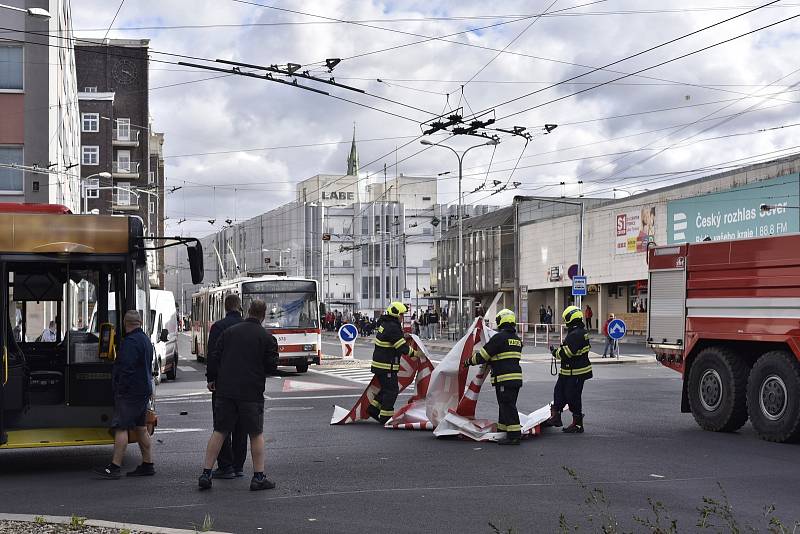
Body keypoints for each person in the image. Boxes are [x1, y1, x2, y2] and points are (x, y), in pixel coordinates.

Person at [199, 299, 279, 491]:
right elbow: (271, 367)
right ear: (263, 314)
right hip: (251, 392)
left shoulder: (229, 332)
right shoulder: (267, 337)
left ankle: (206, 473)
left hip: (226, 391)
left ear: (248, 311)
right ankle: (258, 477)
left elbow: (215, 357)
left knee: (219, 431)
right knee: (255, 433)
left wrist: (215, 378)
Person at [95, 311, 155, 479]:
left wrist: (119, 388)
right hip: (143, 390)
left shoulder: (130, 343)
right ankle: (148, 464)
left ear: (125, 323)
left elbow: (126, 369)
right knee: (141, 427)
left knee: (121, 427)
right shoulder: (145, 340)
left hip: (130, 392)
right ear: (140, 322)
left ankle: (114, 467)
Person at [464, 309, 523, 445]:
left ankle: (514, 436)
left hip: (504, 378)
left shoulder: (499, 338)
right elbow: (503, 356)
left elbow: (482, 356)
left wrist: (468, 362)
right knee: (505, 406)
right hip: (515, 378)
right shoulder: (517, 340)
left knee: (507, 406)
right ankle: (503, 432)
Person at [205, 294, 246, 479]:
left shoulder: (218, 327)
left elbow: (213, 355)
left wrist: (211, 378)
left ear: (225, 307)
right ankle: (239, 466)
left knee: (222, 426)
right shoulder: (249, 327)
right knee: (241, 427)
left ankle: (226, 466)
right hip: (245, 384)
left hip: (223, 384)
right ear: (240, 307)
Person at [543, 306, 593, 434]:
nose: (566, 322)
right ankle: (556, 417)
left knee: (573, 397)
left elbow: (567, 353)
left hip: (575, 373)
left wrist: (555, 352)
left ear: (571, 318)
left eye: (567, 319)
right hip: (568, 372)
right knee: (558, 392)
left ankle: (577, 424)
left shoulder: (576, 334)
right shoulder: (578, 332)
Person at [368, 302, 418, 424]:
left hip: (381, 365)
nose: (402, 317)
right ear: (396, 314)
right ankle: (386, 417)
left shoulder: (386, 324)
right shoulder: (393, 327)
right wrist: (416, 354)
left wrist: (403, 336)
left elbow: (393, 339)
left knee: (386, 389)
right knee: (392, 390)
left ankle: (373, 409)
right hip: (386, 366)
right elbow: (402, 347)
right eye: (401, 315)